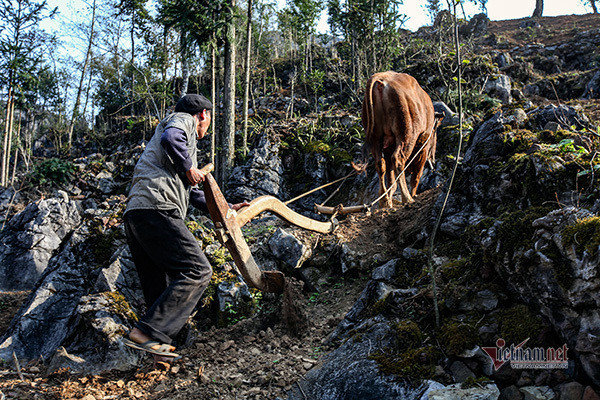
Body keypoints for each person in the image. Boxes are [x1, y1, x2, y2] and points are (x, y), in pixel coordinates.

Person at [122, 94, 246, 366]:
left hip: (136, 214)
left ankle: (158, 352)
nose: (207, 126)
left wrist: (228, 208)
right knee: (198, 270)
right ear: (203, 114)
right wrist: (189, 165)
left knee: (159, 287)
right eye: (209, 119)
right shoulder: (183, 122)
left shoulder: (173, 154)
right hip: (158, 208)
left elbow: (193, 194)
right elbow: (172, 139)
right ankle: (146, 333)